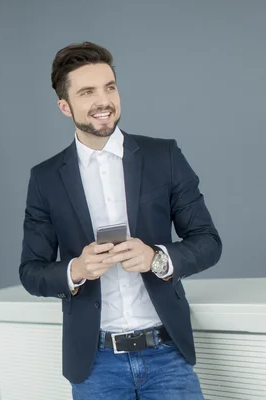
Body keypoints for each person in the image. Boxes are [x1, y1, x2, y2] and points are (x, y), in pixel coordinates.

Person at [18, 42, 222, 399]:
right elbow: (31, 271)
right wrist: (76, 269)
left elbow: (207, 241)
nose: (104, 100)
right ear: (65, 106)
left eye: (110, 87)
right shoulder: (45, 178)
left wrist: (156, 258)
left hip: (167, 354)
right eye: (87, 92)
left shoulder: (164, 156)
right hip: (95, 366)